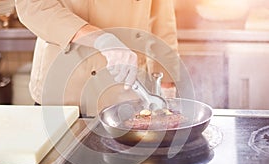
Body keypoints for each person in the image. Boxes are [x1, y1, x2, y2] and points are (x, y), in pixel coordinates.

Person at [15, 0, 178, 117]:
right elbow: (33, 6)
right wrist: (101, 39)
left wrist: (166, 83)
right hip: (65, 90)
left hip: (125, 92)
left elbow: (161, 21)